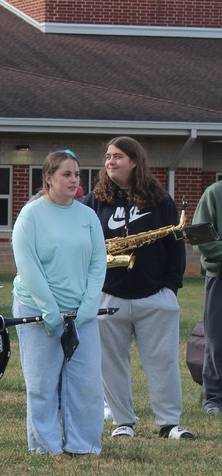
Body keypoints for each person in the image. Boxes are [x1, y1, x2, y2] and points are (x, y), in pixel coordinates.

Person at [83, 135, 194, 440]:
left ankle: (169, 423)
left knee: (163, 362)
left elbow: (176, 247)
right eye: (107, 156)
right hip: (109, 294)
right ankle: (123, 422)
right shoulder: (93, 202)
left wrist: (170, 288)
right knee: (111, 364)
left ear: (134, 162)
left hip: (155, 296)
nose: (110, 161)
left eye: (117, 156)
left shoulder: (160, 199)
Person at [12, 149, 106, 457]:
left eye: (77, 174)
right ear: (48, 179)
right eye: (66, 174)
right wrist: (50, 310)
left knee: (86, 383)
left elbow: (97, 262)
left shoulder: (87, 216)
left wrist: (89, 306)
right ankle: (46, 447)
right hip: (38, 310)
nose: (74, 180)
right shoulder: (31, 215)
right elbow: (28, 267)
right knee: (42, 383)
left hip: (81, 315)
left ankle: (84, 445)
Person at [192, 179, 222, 415]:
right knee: (217, 341)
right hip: (219, 277)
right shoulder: (214, 193)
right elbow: (201, 236)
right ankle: (213, 398)